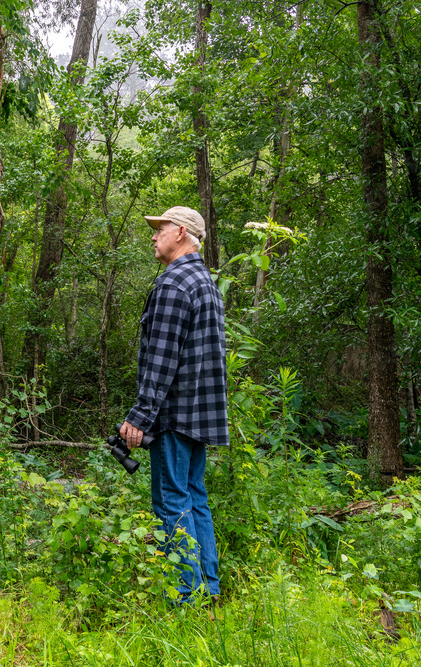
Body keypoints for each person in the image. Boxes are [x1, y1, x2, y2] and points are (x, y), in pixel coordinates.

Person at [118, 205, 229, 605]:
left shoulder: (173, 284)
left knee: (171, 502)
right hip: (201, 414)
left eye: (159, 228)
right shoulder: (205, 283)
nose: (153, 235)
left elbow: (161, 359)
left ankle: (187, 600)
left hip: (174, 414)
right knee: (194, 498)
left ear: (180, 232)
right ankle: (209, 592)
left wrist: (140, 417)